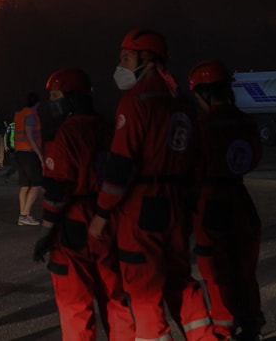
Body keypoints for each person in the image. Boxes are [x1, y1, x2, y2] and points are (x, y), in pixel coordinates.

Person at [87, 29, 221, 341]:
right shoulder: (182, 103)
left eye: (125, 57)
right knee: (179, 278)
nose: (119, 64)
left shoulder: (135, 102)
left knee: (143, 285)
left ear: (146, 60)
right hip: (177, 204)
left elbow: (120, 165)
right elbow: (197, 157)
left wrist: (101, 214)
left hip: (143, 206)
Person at [34, 68, 133, 341]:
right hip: (106, 217)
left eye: (55, 96)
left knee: (75, 303)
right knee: (115, 297)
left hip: (73, 223)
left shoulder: (66, 133)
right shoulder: (107, 126)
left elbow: (57, 190)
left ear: (70, 98)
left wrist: (45, 233)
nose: (51, 102)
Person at [188, 59, 266, 341]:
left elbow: (192, 166)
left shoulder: (202, 126)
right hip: (241, 200)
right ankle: (253, 325)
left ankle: (224, 331)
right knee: (245, 268)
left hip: (211, 204)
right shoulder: (245, 121)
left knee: (216, 273)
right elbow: (253, 158)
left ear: (203, 93)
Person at [14, 93, 44, 224]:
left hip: (19, 152)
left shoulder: (20, 114)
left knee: (25, 185)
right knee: (36, 184)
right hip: (29, 153)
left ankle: (22, 215)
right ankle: (26, 214)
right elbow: (30, 135)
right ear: (38, 103)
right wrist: (39, 154)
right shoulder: (31, 115)